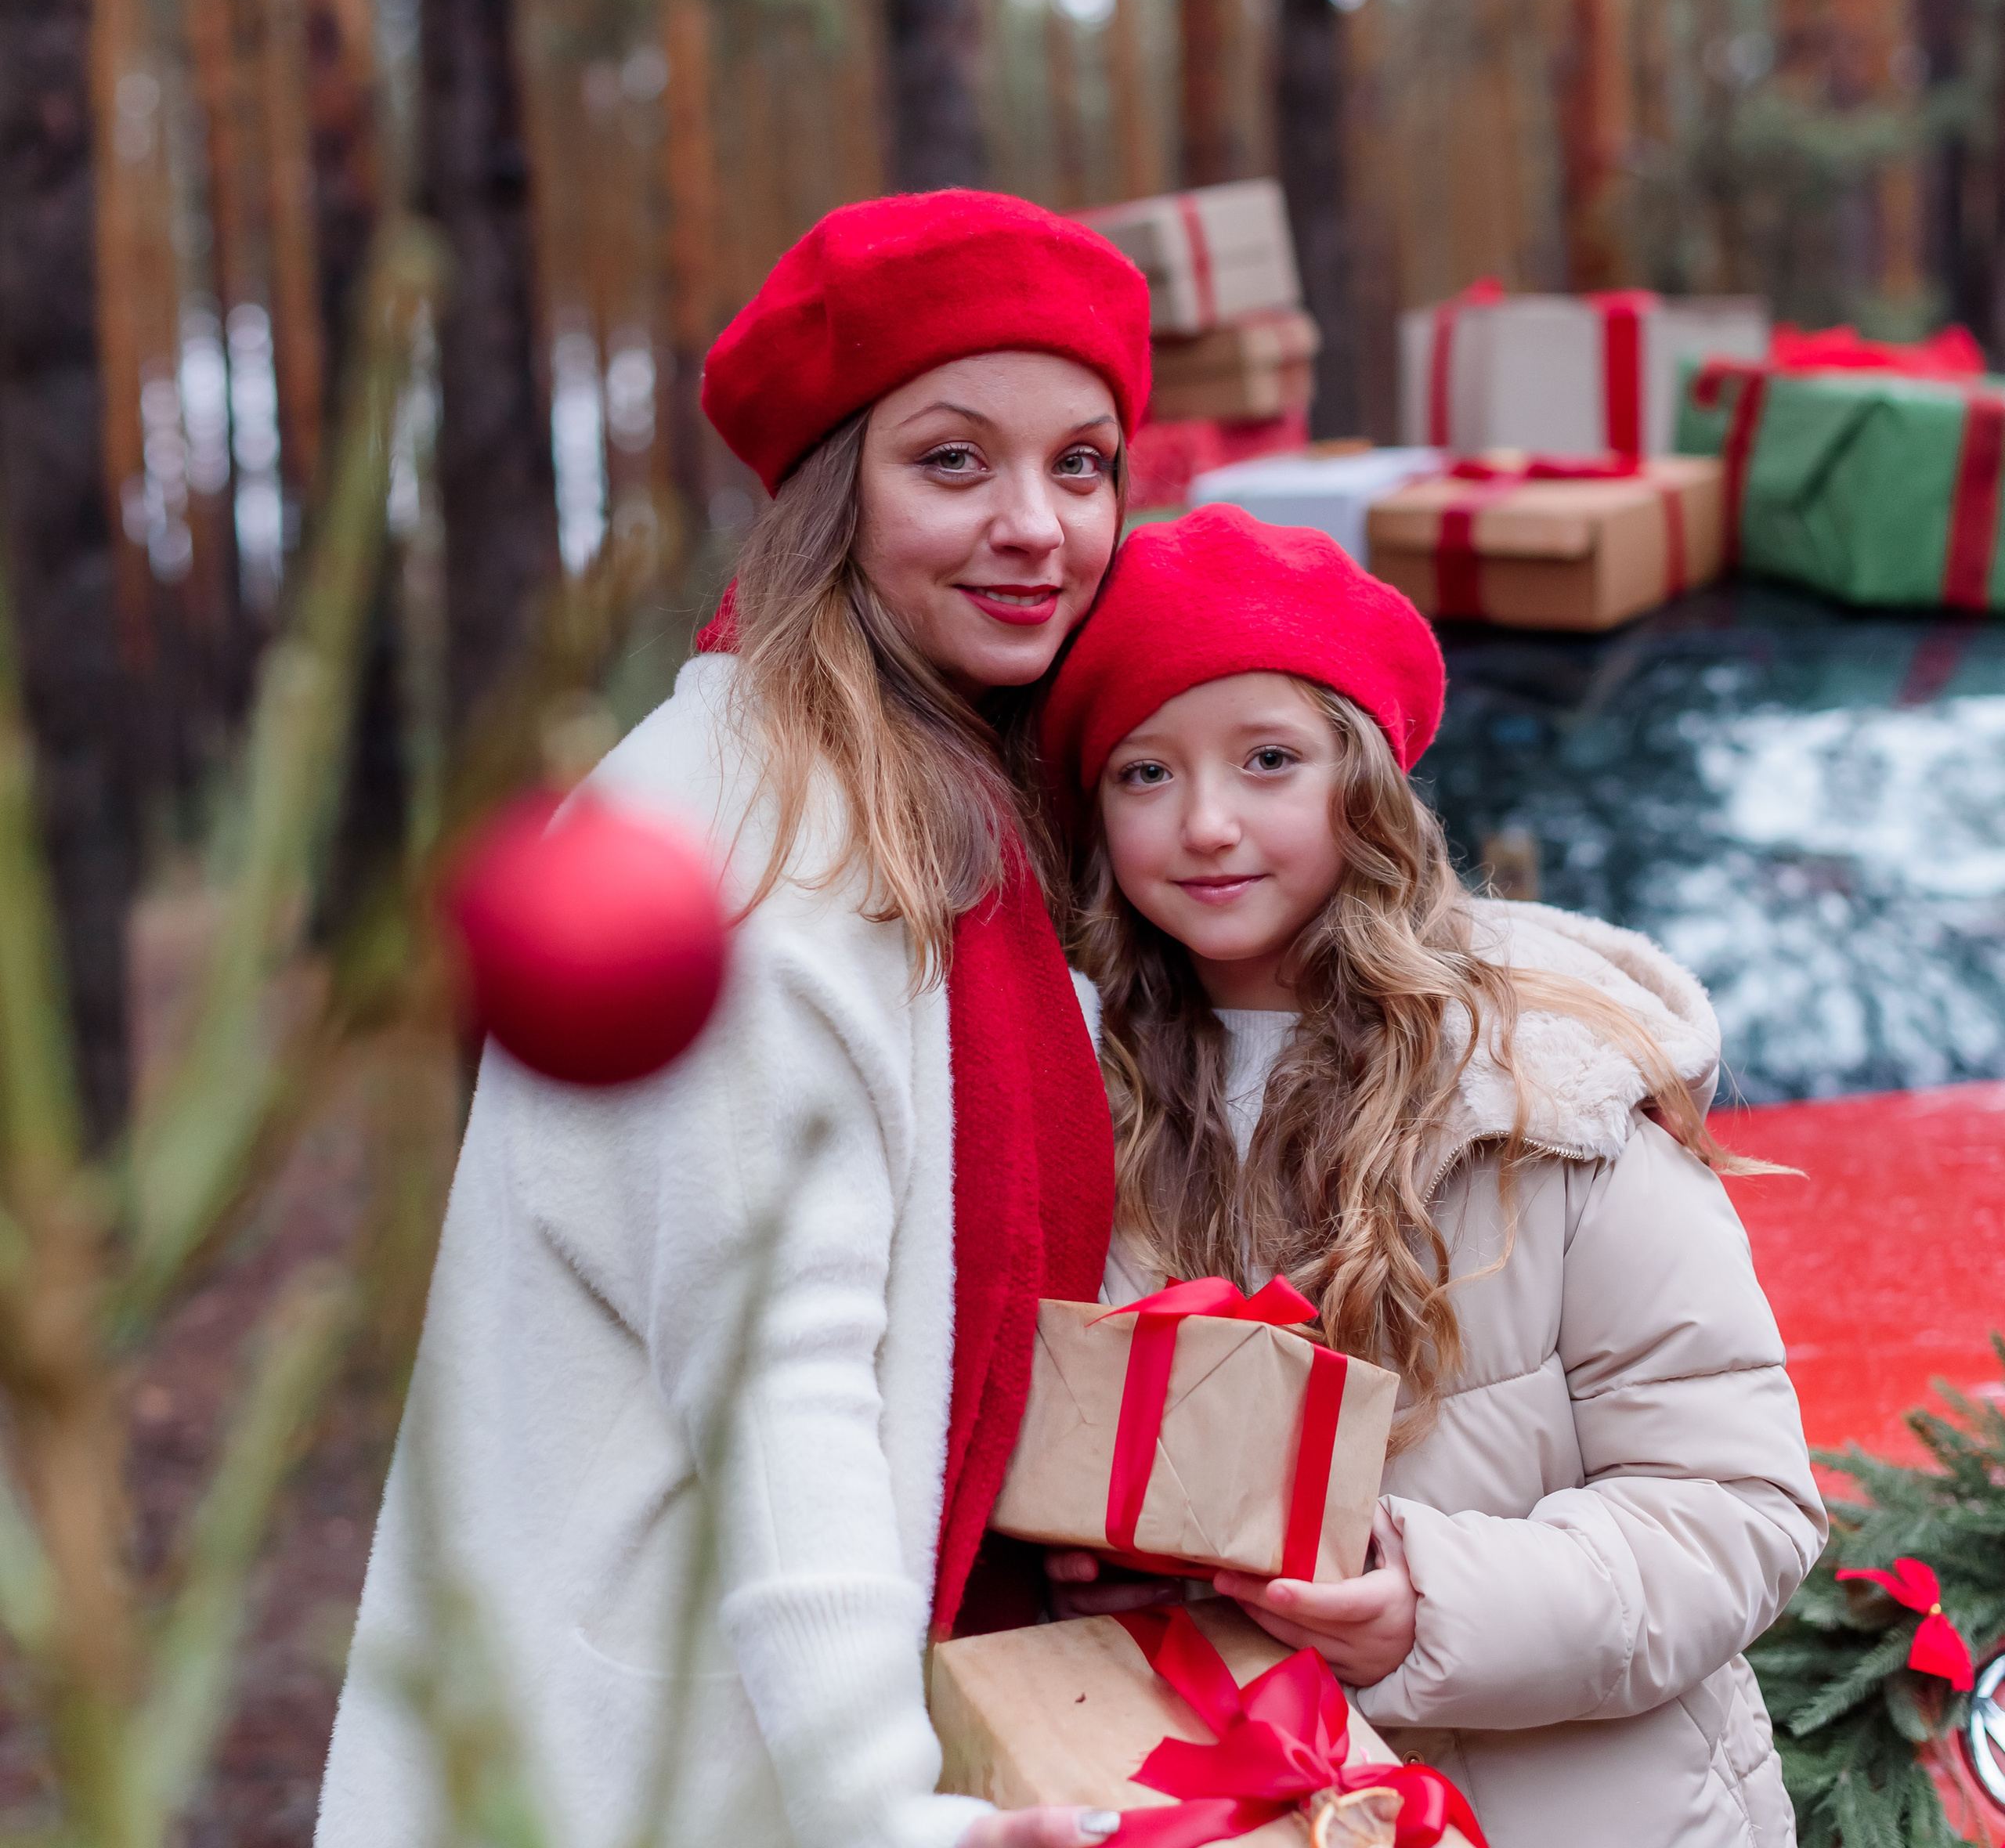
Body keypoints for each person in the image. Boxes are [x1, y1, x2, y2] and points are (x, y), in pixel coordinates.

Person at [317, 192, 1156, 1848]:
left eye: (1081, 463)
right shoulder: (742, 843)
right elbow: (780, 1374)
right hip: (667, 1761)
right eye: (952, 459)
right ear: (833, 494)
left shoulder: (941, 807)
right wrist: (884, 1807)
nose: (1036, 524)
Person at [1038, 505, 1826, 1848]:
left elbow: (1738, 1511)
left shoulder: (1545, 1092)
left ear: (1366, 784)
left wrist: (1431, 1601)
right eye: (1145, 773)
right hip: (1232, 1802)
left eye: (1269, 760)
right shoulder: (1068, 1102)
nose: (1209, 822)